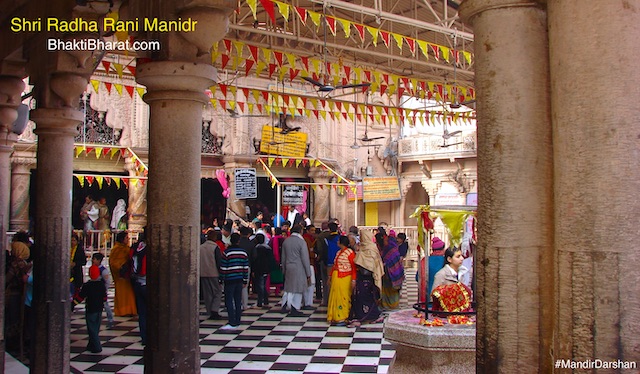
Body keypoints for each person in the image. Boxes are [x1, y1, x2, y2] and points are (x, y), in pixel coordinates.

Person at [349, 230, 385, 327]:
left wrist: (359, 258)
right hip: (361, 278)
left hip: (369, 278)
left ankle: (366, 317)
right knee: (359, 297)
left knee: (367, 297)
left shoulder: (371, 249)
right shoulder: (362, 248)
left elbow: (370, 265)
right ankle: (363, 316)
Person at [4, 239, 32, 351]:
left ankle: (13, 342)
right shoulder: (24, 263)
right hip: (20, 295)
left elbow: (7, 279)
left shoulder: (17, 264)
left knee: (13, 318)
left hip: (14, 294)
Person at [219, 233, 249, 330]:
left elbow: (223, 267)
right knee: (237, 300)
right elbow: (245, 267)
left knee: (228, 300)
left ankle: (232, 321)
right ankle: (238, 320)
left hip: (229, 279)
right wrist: (245, 280)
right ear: (238, 241)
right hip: (239, 279)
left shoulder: (227, 252)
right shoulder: (243, 252)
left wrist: (221, 279)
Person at [281, 225, 312, 316]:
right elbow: (305, 258)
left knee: (288, 287)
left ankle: (284, 304)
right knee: (298, 288)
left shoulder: (286, 241)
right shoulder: (301, 242)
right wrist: (308, 273)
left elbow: (283, 257)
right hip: (299, 267)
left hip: (288, 266)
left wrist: (284, 269)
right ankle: (295, 307)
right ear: (300, 231)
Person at [431, 246, 472, 314]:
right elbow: (434, 296)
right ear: (449, 259)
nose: (462, 258)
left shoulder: (463, 272)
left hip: (461, 312)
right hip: (445, 313)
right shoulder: (441, 274)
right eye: (458, 256)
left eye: (461, 256)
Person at [326, 236, 356, 326]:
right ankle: (335, 317)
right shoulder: (338, 252)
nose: (337, 242)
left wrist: (353, 280)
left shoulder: (350, 253)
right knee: (335, 296)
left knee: (343, 297)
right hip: (336, 278)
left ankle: (343, 317)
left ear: (341, 242)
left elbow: (354, 267)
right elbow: (334, 266)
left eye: (338, 241)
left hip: (345, 278)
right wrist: (330, 277)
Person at [108, 232, 137, 316]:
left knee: (129, 294)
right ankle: (122, 311)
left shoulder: (126, 248)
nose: (128, 239)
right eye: (126, 238)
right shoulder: (117, 249)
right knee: (122, 294)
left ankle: (130, 310)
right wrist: (121, 267)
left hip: (127, 275)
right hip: (120, 276)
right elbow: (113, 262)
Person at [80, 265, 107, 353]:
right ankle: (91, 345)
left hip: (91, 309)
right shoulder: (101, 285)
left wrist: (72, 304)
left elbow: (80, 297)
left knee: (91, 328)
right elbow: (105, 297)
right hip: (99, 308)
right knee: (96, 327)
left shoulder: (87, 285)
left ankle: (97, 346)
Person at [377, 231, 405, 310]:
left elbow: (394, 259)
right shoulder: (381, 248)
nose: (386, 242)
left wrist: (386, 264)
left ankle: (393, 305)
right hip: (385, 273)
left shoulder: (391, 247)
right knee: (386, 289)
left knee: (392, 289)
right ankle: (386, 304)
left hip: (394, 271)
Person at [200, 230, 222, 320]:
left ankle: (209, 310)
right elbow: (218, 261)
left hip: (203, 272)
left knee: (207, 293)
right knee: (217, 292)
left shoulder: (201, 247)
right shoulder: (215, 247)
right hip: (214, 272)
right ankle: (214, 310)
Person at [130, 230, 148, 345]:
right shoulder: (149, 248)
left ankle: (144, 337)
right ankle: (150, 337)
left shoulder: (135, 247)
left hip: (137, 281)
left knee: (142, 312)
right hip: (146, 282)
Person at [91, 253, 114, 329]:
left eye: (94, 259)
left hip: (101, 291)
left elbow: (107, 281)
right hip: (94, 291)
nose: (92, 260)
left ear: (99, 260)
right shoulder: (93, 268)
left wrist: (104, 290)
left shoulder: (103, 271)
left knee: (105, 305)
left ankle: (110, 320)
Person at [252, 234, 273, 308]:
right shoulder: (268, 248)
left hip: (258, 269)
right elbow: (271, 260)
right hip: (266, 269)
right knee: (263, 285)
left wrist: (253, 270)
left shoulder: (256, 249)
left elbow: (254, 260)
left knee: (260, 286)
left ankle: (260, 302)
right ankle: (266, 301)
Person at [70, 233, 86, 311]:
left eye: (74, 240)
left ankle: (72, 304)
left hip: (76, 273)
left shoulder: (79, 249)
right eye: (71, 240)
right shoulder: (66, 248)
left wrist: (75, 263)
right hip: (68, 273)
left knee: (76, 291)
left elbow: (84, 261)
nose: (72, 242)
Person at [268, 227, 286, 296]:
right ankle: (278, 290)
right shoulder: (283, 239)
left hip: (273, 259)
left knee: (272, 274)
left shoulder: (273, 239)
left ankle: (269, 289)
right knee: (280, 275)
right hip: (282, 259)